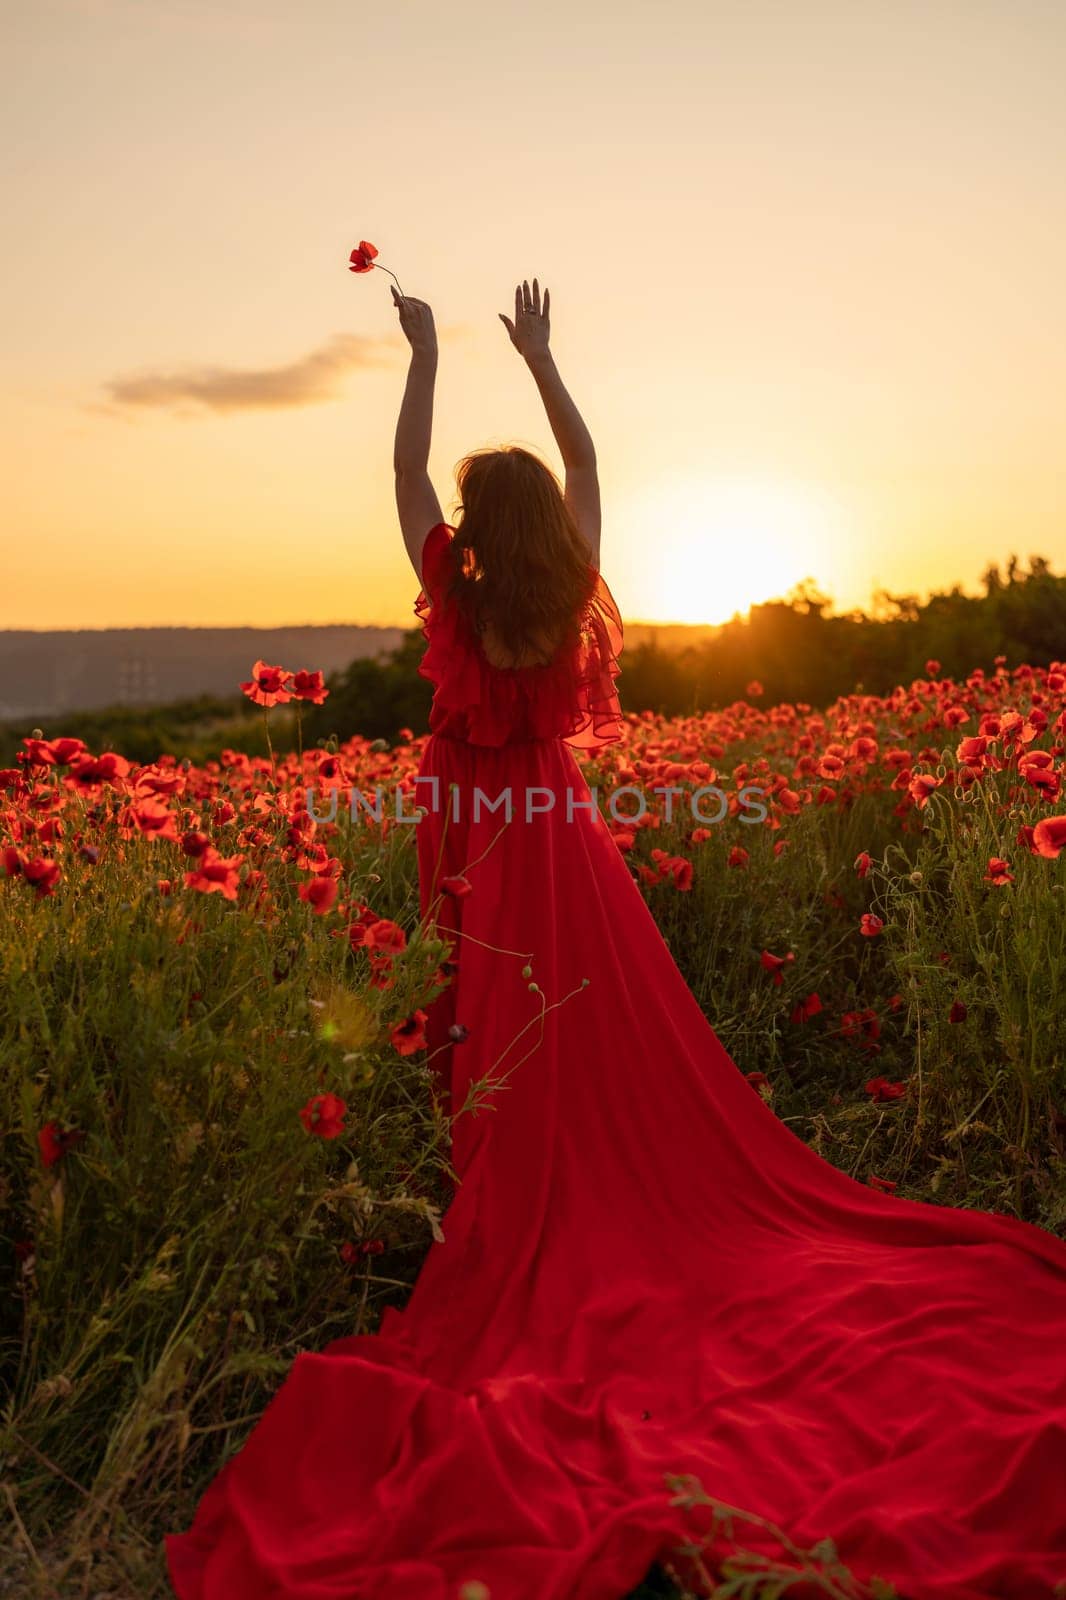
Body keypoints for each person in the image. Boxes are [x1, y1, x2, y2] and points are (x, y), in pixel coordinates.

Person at [166, 280, 1066, 1600]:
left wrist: (418, 355)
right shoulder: (564, 585)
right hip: (558, 832)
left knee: (491, 1030)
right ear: (548, 531)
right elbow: (583, 459)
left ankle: (509, 1199)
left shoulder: (451, 597)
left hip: (476, 822)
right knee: (593, 1024)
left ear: (472, 529)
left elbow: (406, 463)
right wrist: (538, 356)